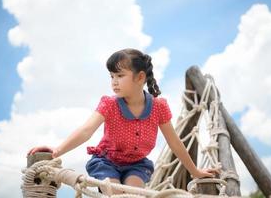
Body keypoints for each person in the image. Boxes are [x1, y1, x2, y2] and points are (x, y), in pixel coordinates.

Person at [28, 48, 218, 194]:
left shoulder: (159, 107)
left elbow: (175, 142)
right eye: (112, 76)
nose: (114, 82)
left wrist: (195, 171)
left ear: (140, 77)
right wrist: (57, 150)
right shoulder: (110, 104)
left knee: (133, 194)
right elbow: (86, 130)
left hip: (137, 164)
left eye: (120, 75)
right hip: (107, 162)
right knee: (116, 194)